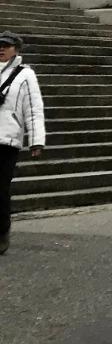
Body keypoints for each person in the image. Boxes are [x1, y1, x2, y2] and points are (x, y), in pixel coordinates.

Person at [1, 31, 47, 256]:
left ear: (16, 50)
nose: (2, 49)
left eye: (7, 46)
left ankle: (2, 231)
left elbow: (34, 110)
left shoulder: (25, 75)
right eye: (0, 45)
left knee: (0, 189)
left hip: (7, 140)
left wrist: (36, 140)